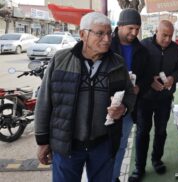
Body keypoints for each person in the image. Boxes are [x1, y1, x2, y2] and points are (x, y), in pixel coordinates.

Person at [35, 12, 136, 182]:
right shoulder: (60, 60)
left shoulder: (117, 63)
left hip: (103, 145)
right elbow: (44, 102)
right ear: (83, 34)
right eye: (100, 33)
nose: (107, 39)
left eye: (108, 33)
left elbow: (130, 94)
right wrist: (42, 141)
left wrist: (123, 108)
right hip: (67, 145)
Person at [130, 20, 178, 182]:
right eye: (164, 35)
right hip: (145, 98)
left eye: (170, 36)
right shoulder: (143, 46)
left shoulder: (175, 49)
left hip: (164, 98)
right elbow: (135, 71)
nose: (168, 39)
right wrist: (149, 81)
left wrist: (172, 78)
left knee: (161, 131)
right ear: (156, 31)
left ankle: (157, 160)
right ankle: (139, 167)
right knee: (142, 132)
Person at [110, 8, 149, 182]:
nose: (134, 33)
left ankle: (115, 177)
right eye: (130, 28)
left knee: (121, 145)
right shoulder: (107, 45)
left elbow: (147, 75)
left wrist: (139, 86)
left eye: (137, 29)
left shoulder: (141, 50)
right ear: (119, 26)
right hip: (105, 105)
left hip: (128, 106)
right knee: (103, 147)